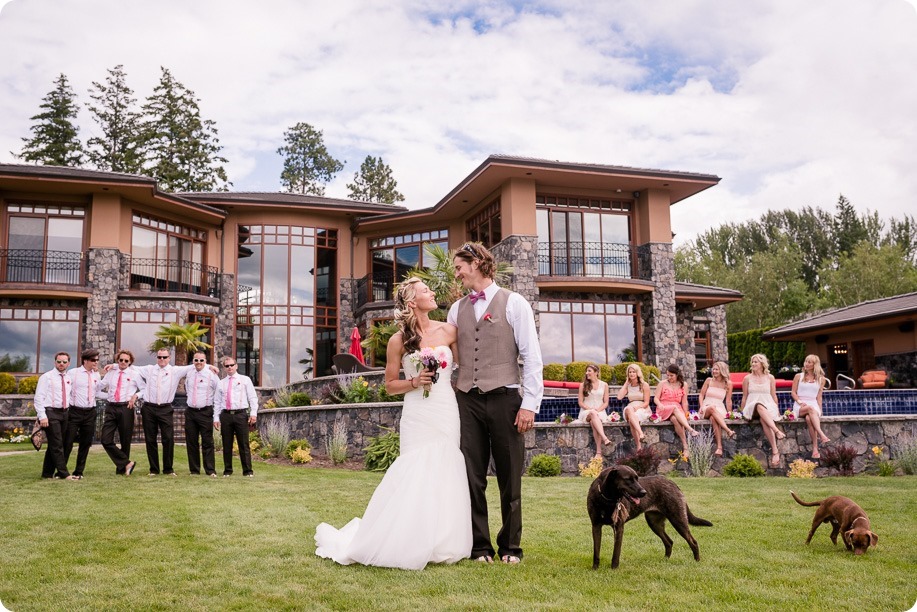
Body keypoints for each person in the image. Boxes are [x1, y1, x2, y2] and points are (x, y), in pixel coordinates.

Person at [315, 278, 472, 570]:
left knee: (445, 465)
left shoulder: (450, 330)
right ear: (412, 302)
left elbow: (464, 371)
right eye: (426, 290)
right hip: (417, 413)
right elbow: (389, 385)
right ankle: (404, 538)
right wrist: (414, 381)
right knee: (414, 468)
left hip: (445, 408)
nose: (432, 292)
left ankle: (442, 541)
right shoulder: (397, 340)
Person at [447, 242, 543, 565]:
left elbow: (531, 356)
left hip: (506, 399)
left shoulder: (515, 303)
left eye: (459, 266)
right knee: (471, 475)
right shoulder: (455, 309)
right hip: (467, 402)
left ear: (475, 263)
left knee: (509, 475)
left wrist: (529, 403)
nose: (456, 273)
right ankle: (479, 547)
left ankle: (510, 547)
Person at [135, 349, 195, 476]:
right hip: (149, 408)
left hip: (165, 409)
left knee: (168, 439)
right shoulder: (149, 369)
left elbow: (194, 365)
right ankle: (153, 469)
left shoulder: (175, 371)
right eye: (159, 357)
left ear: (169, 358)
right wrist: (114, 366)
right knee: (150, 440)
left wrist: (210, 366)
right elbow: (131, 368)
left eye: (164, 357)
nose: (161, 359)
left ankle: (168, 469)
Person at [99, 349, 143, 476]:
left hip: (126, 408)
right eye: (121, 360)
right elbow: (101, 385)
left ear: (130, 362)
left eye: (126, 361)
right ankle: (127, 462)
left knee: (125, 440)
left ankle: (122, 470)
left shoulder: (135, 374)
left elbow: (144, 389)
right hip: (111, 407)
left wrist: (135, 396)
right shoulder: (111, 372)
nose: (123, 362)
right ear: (117, 360)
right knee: (105, 439)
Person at [213, 356, 258, 477]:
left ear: (236, 366)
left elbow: (252, 397)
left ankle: (248, 471)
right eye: (227, 366)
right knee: (226, 444)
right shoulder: (221, 383)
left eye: (231, 365)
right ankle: (227, 471)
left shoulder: (245, 380)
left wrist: (253, 413)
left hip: (240, 415)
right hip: (226, 415)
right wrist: (216, 418)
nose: (229, 368)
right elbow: (217, 402)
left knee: (243, 444)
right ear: (224, 368)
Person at [34, 351, 75, 480]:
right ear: (54, 362)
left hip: (64, 413)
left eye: (64, 362)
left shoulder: (68, 378)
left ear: (68, 363)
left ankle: (47, 473)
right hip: (50, 413)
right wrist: (42, 416)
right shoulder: (47, 377)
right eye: (59, 362)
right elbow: (38, 398)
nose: (61, 364)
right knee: (57, 444)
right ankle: (64, 474)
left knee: (56, 444)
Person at [740, 353, 785, 468]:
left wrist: (777, 410)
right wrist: (741, 412)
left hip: (768, 405)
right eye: (753, 362)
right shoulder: (747, 378)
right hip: (752, 406)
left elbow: (774, 395)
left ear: (762, 364)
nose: (753, 364)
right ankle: (776, 431)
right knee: (759, 405)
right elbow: (744, 397)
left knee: (764, 418)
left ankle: (775, 451)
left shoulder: (770, 377)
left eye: (756, 362)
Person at [63, 348, 102, 480]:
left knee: (85, 443)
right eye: (93, 360)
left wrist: (112, 396)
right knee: (68, 442)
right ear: (85, 360)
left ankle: (79, 471)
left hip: (90, 412)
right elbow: (66, 391)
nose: (96, 362)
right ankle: (62, 471)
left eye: (97, 360)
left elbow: (96, 393)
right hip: (75, 412)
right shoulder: (73, 373)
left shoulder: (96, 375)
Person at [184, 351, 221, 477]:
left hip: (205, 411)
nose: (198, 363)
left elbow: (218, 393)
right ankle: (194, 470)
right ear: (193, 361)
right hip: (190, 412)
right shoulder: (189, 374)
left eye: (201, 360)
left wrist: (216, 415)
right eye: (196, 360)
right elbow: (187, 389)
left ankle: (210, 470)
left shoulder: (212, 374)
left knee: (207, 442)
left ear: (205, 361)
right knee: (191, 441)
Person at [654, 364, 698, 458]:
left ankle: (686, 447)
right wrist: (659, 404)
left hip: (677, 409)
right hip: (664, 408)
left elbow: (684, 402)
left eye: (671, 375)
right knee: (674, 407)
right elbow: (656, 398)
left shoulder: (684, 385)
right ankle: (690, 429)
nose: (669, 377)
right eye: (668, 375)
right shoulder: (662, 383)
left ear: (677, 374)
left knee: (675, 419)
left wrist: (686, 413)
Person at [791, 354, 831, 459]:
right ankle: (821, 434)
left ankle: (815, 449)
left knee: (809, 419)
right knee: (810, 409)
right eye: (806, 361)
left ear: (815, 365)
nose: (806, 364)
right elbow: (793, 393)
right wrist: (799, 402)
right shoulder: (798, 376)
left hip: (813, 404)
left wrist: (820, 410)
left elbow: (819, 396)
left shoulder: (822, 379)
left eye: (809, 362)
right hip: (800, 405)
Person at [697, 361, 736, 456]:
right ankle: (728, 430)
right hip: (706, 407)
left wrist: (730, 413)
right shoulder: (708, 380)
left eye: (716, 369)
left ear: (722, 371)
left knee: (713, 418)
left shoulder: (728, 384)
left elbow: (728, 400)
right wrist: (702, 406)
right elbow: (701, 395)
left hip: (719, 408)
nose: (714, 371)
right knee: (711, 408)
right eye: (713, 369)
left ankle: (719, 447)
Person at [576, 364, 611, 458]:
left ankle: (598, 452)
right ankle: (605, 438)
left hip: (600, 412)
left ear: (596, 373)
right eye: (586, 371)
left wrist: (598, 410)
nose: (587, 373)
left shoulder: (604, 385)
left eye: (589, 371)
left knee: (594, 420)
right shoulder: (582, 385)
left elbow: (606, 402)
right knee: (592, 414)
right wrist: (590, 409)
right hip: (586, 411)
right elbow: (580, 402)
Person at [617, 363, 651, 451]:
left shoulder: (644, 385)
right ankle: (640, 433)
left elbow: (646, 402)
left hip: (642, 408)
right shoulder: (628, 386)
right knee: (628, 409)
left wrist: (639, 407)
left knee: (632, 420)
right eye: (630, 372)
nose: (631, 374)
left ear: (637, 373)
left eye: (633, 372)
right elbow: (619, 397)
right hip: (631, 407)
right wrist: (625, 383)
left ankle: (638, 446)